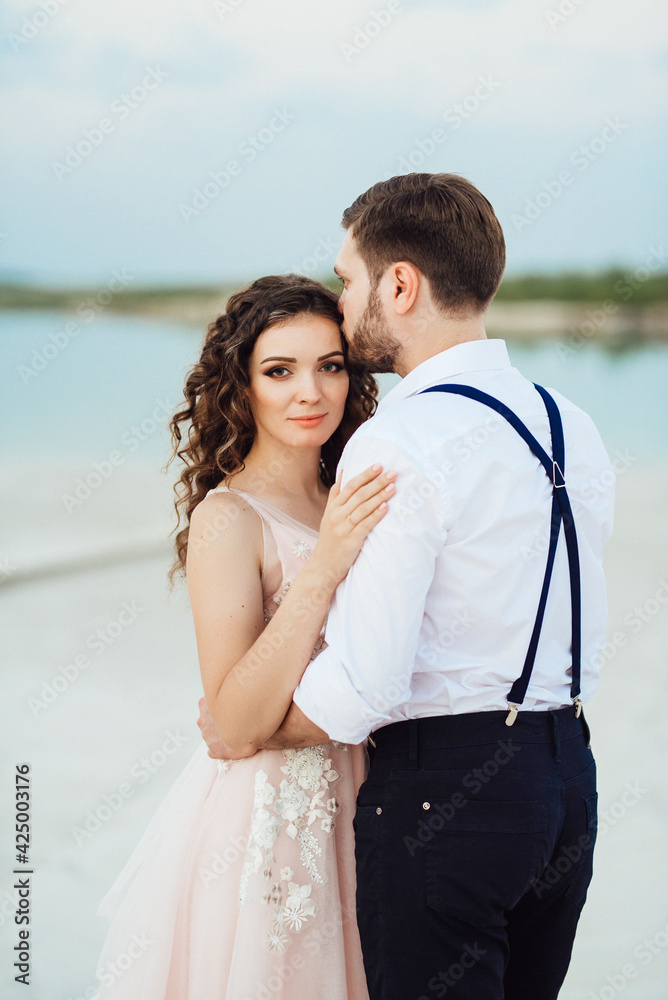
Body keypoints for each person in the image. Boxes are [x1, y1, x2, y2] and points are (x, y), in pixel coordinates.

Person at [202, 173, 616, 1000]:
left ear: (400, 284)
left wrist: (246, 729)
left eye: (349, 277)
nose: (344, 296)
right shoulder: (570, 419)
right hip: (566, 779)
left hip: (447, 795)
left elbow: (365, 683)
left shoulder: (398, 441)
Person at [91, 274, 396, 999]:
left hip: (373, 805)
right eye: (279, 371)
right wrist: (322, 568)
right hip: (270, 821)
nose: (311, 393)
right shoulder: (228, 519)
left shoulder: (357, 492)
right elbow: (232, 720)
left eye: (330, 365)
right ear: (242, 386)